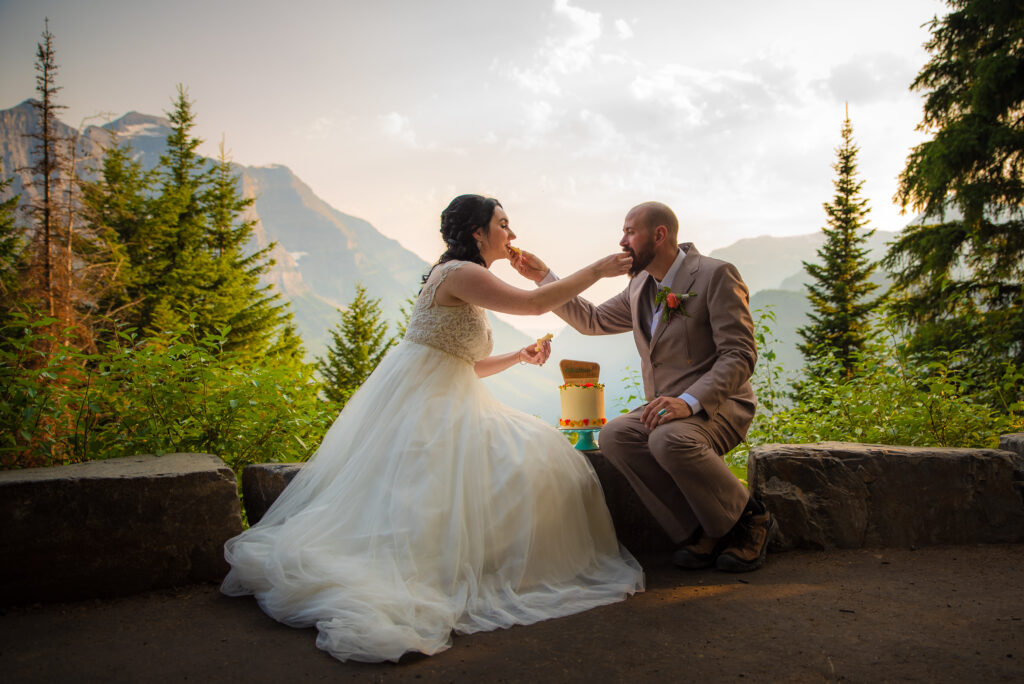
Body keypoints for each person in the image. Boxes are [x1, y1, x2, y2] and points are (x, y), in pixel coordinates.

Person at [221, 194, 643, 663]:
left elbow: (465, 365)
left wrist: (518, 357)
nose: (513, 234)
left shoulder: (460, 275)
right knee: (536, 458)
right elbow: (534, 304)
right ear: (478, 233)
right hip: (428, 410)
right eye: (503, 224)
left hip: (447, 397)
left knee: (537, 453)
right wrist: (599, 269)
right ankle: (473, 574)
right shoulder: (462, 273)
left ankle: (487, 566)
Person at [510, 201, 776, 573]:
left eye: (629, 231)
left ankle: (752, 519)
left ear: (659, 234)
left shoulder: (716, 276)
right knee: (617, 435)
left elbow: (740, 354)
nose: (622, 241)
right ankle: (704, 528)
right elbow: (593, 320)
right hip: (667, 412)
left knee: (667, 439)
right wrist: (544, 278)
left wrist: (688, 401)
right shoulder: (640, 286)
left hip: (720, 406)